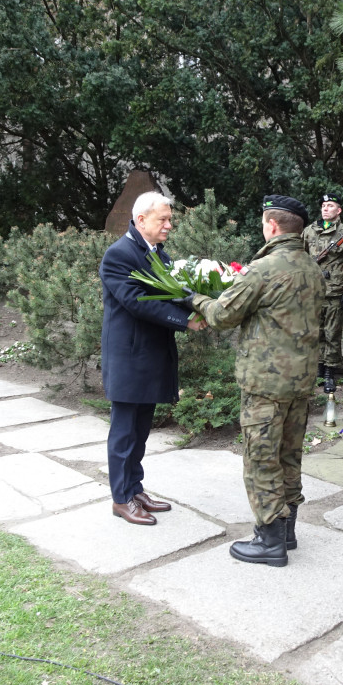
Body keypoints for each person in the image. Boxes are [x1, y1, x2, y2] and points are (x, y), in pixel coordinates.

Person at [182, 196, 324, 567]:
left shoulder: (262, 269)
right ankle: (287, 530)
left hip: (266, 384)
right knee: (289, 455)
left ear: (272, 226)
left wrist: (192, 297)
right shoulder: (312, 266)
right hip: (301, 381)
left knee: (261, 458)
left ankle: (269, 540)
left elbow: (222, 315)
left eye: (264, 223)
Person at [99, 191, 207, 526]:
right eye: (163, 219)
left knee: (141, 429)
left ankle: (135, 488)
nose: (169, 225)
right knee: (124, 433)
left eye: (169, 219)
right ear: (141, 219)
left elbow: (176, 288)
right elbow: (137, 302)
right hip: (130, 358)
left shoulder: (157, 252)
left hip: (149, 356)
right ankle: (121, 499)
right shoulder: (118, 255)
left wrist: (205, 301)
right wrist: (186, 320)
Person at [302, 193, 343, 392]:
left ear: (339, 210)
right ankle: (318, 369)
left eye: (330, 205)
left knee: (332, 334)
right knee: (314, 332)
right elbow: (300, 260)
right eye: (323, 205)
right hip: (312, 292)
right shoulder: (309, 232)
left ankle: (329, 372)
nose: (325, 208)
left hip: (335, 292)